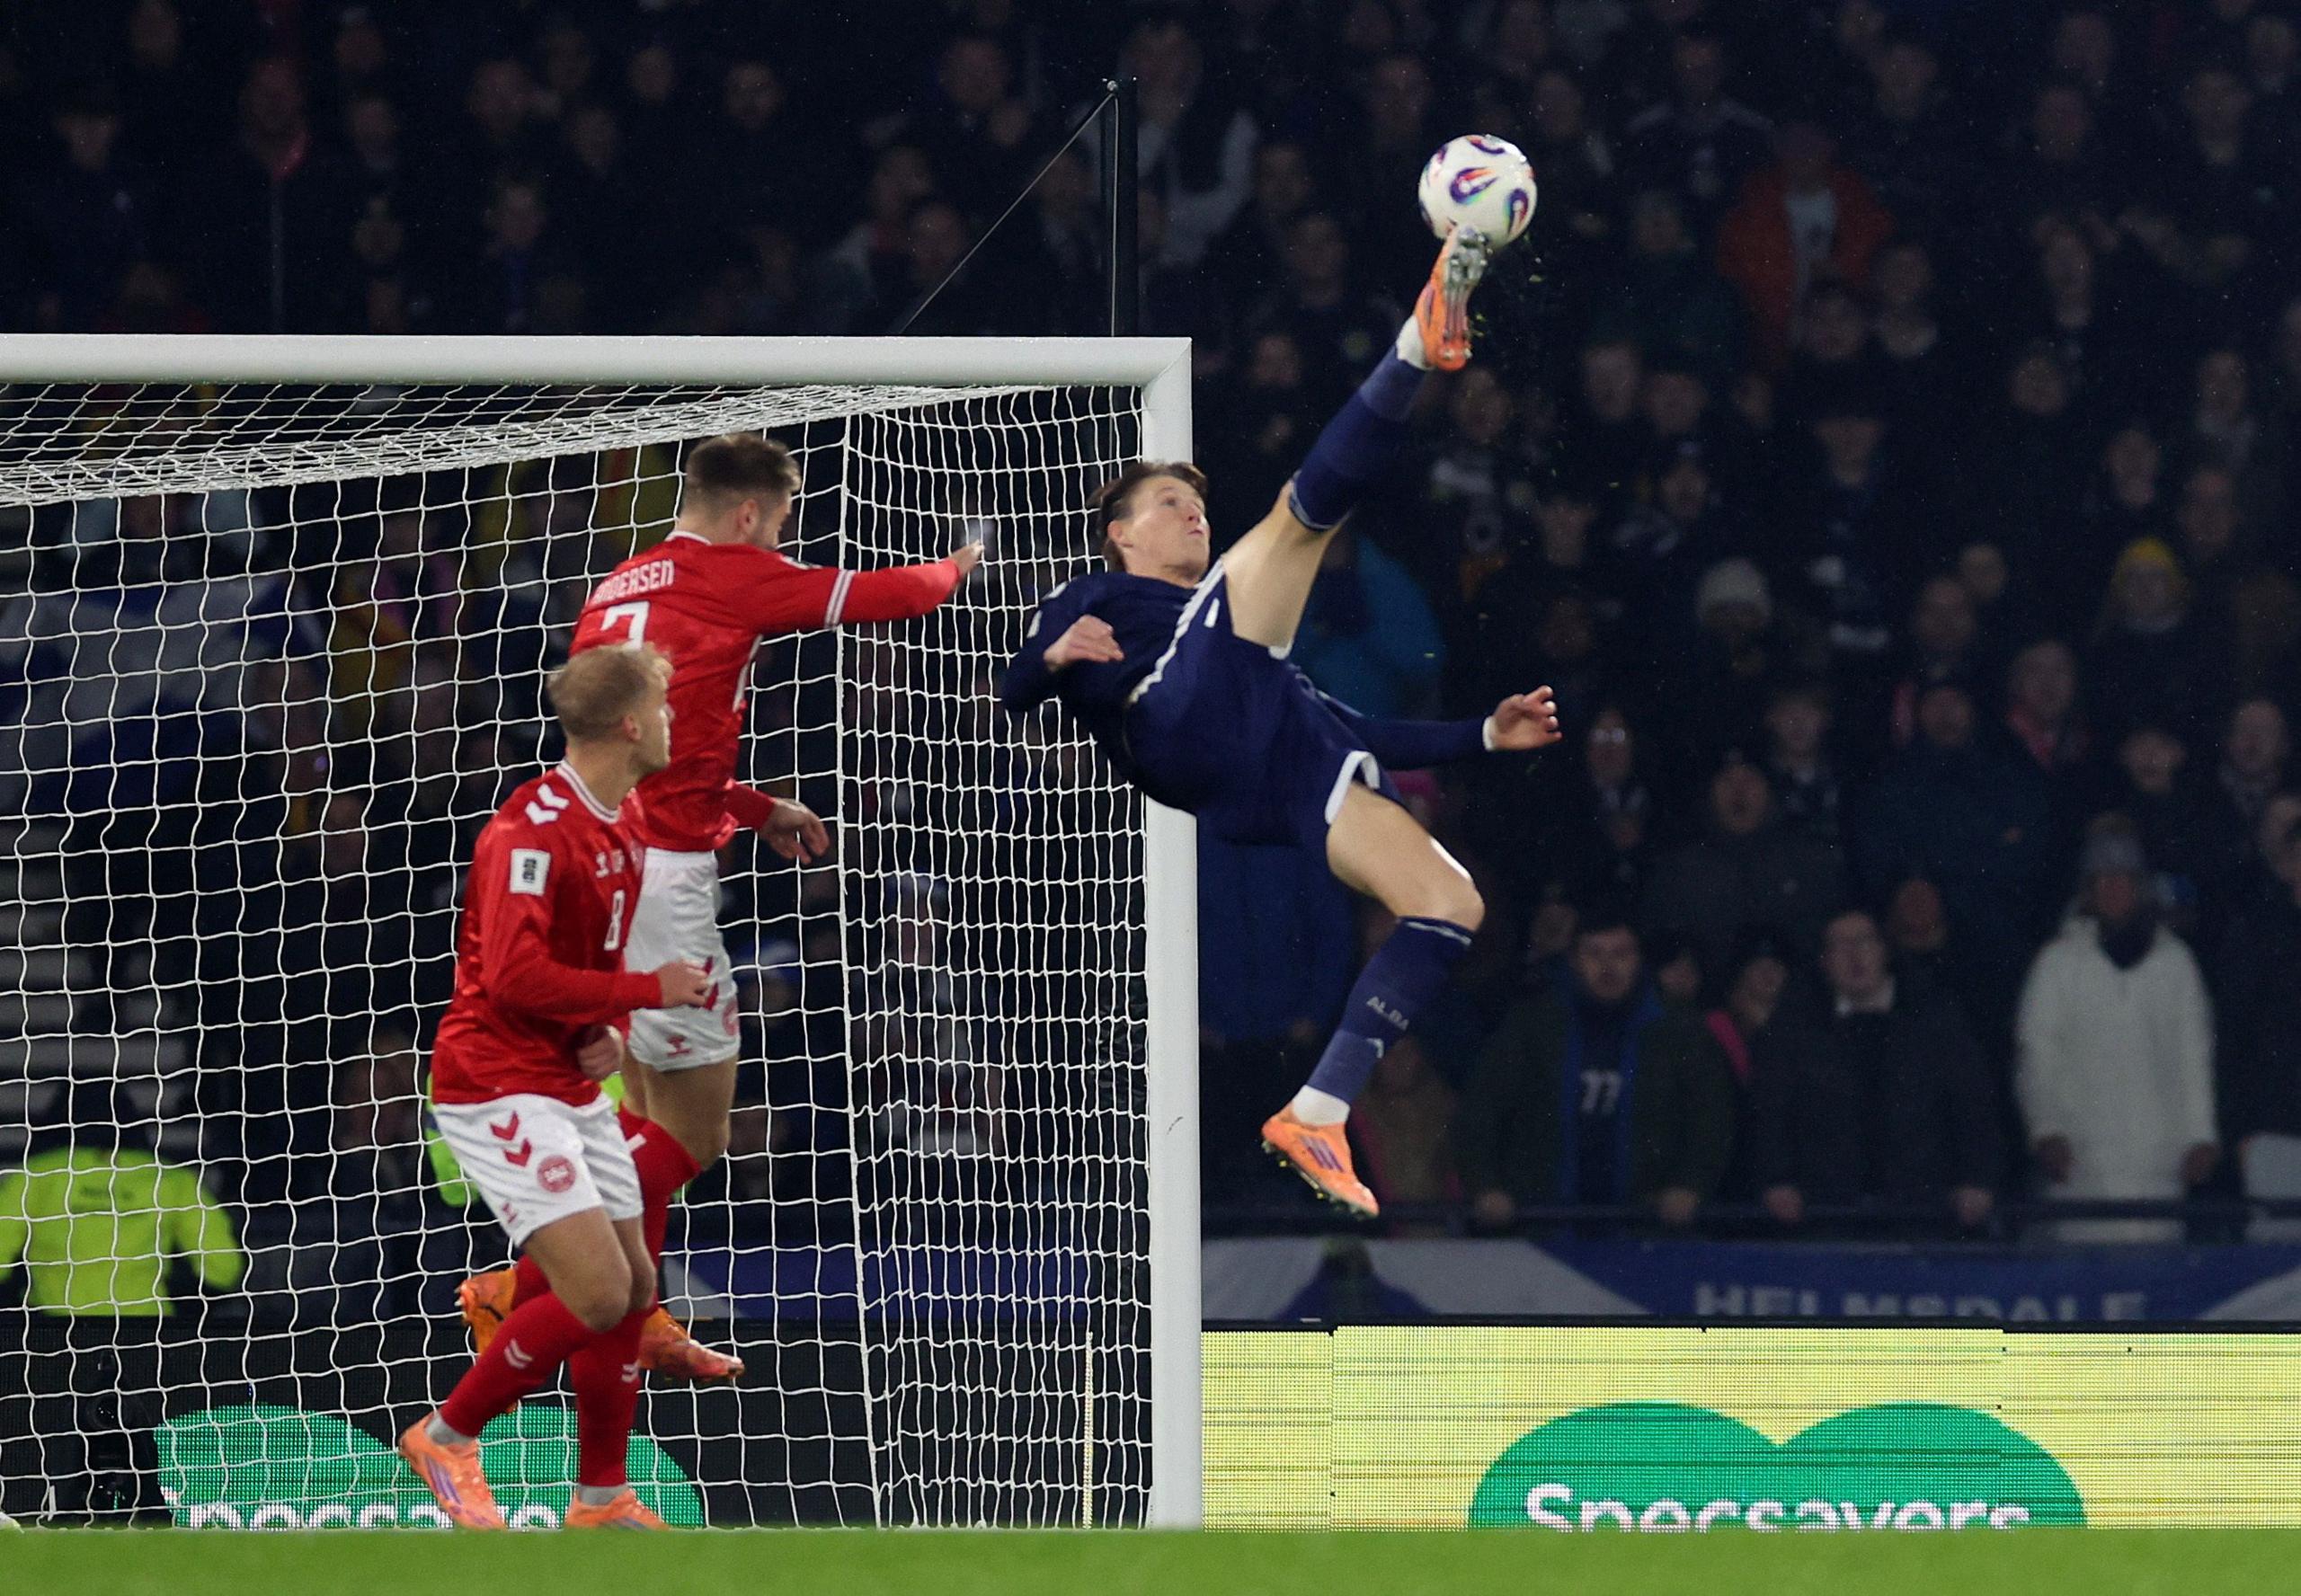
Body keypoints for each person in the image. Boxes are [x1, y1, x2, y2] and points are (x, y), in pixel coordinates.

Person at [999, 226, 1562, 1217]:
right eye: (1169, 503)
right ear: (1120, 534)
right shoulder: (1102, 595)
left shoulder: (1254, 652)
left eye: (1193, 506)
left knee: (1450, 902)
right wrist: (1050, 660)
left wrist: (1482, 735)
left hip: (1261, 768)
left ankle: (1315, 1109)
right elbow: (1012, 689)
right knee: (1303, 517)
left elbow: (1359, 726)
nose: (1191, 515)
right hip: (1172, 715)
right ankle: (1413, 346)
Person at [457, 434, 981, 1376]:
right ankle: (524, 1287)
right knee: (695, 1133)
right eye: (780, 522)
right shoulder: (733, 571)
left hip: (608, 857)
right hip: (663, 882)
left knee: (645, 1117)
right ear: (748, 514)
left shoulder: (617, 585)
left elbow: (649, 752)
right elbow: (894, 595)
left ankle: (639, 1302)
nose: (780, 539)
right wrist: (967, 558)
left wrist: (751, 805)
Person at [402, 645, 711, 1530]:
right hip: (496, 1085)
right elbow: (512, 978)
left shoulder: (620, 815)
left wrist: (602, 1032)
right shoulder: (529, 832)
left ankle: (600, 1497)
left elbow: (577, 967)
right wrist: (646, 995)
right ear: (627, 723)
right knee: (599, 1295)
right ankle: (447, 1433)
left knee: (634, 1284)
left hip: (563, 1080)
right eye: (661, 703)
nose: (669, 718)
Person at [1456, 908, 1736, 1230]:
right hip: (1543, 1226)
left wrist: (1691, 1185)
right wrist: (1485, 1186)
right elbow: (1480, 1111)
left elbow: (1712, 1118)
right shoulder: (1534, 1026)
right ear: (1573, 960)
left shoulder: (1679, 1031)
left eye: (1621, 954)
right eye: (1594, 954)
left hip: (1647, 1228)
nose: (1608, 967)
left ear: (1640, 960)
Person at [2015, 823, 2218, 1245]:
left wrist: (2200, 1135)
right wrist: (2046, 1128)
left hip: (2160, 1163)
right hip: (2082, 1163)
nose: (2114, 888)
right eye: (2103, 879)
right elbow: (2038, 1054)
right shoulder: (2057, 964)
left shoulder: (2175, 964)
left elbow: (2192, 1055)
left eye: (2123, 878)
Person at [1748, 909, 2001, 1236]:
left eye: (1864, 942)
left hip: (1923, 1211)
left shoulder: (1934, 1019)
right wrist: (1776, 1180)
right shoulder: (1795, 1028)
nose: (1854, 955)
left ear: (1885, 950)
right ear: (1824, 962)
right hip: (1826, 1213)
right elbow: (1771, 1110)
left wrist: (1977, 1179)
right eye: (1840, 946)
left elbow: (1973, 1104)